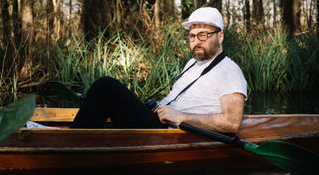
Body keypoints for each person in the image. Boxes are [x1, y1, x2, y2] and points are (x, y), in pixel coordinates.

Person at [71, 7, 247, 133]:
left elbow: (231, 122)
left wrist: (181, 116)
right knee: (103, 105)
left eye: (203, 35)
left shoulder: (230, 71)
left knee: (106, 86)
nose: (196, 41)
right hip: (157, 119)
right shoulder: (192, 63)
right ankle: (76, 134)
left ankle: (70, 142)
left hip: (169, 131)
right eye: (192, 36)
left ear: (220, 36)